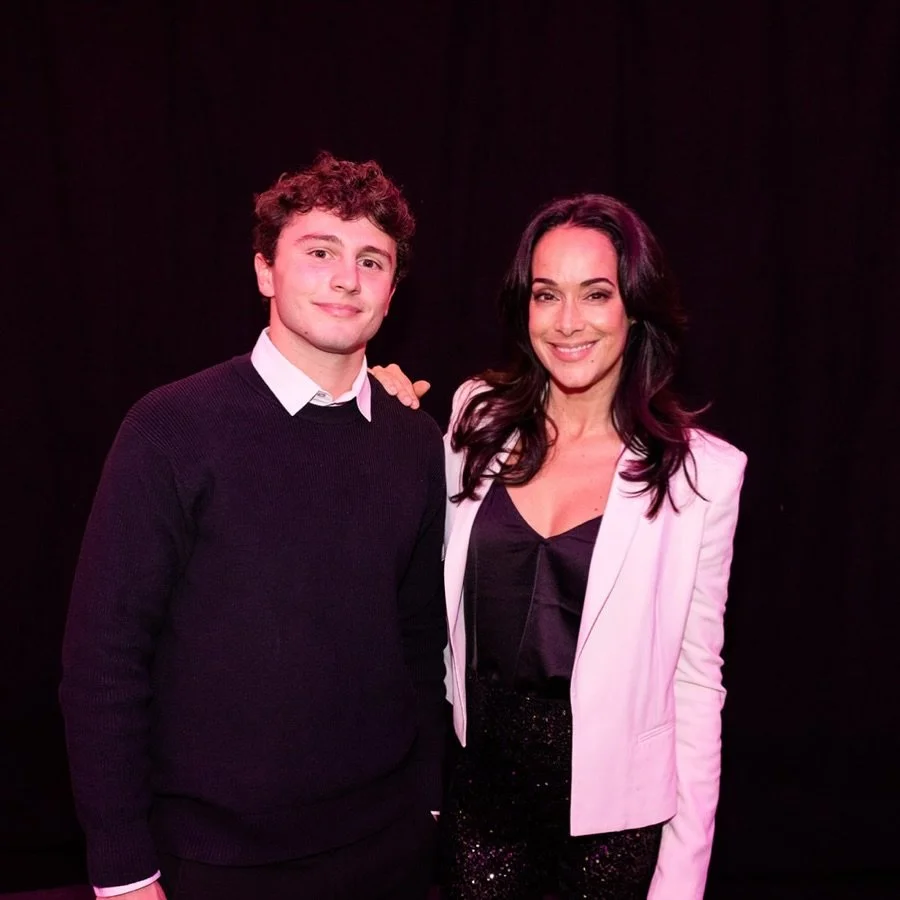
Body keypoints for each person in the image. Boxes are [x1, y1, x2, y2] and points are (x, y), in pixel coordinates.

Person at [60, 152, 447, 900]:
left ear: (393, 290)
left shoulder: (414, 443)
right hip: (214, 863)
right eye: (320, 252)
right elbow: (104, 663)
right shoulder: (170, 429)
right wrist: (123, 872)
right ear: (265, 270)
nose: (346, 278)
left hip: (388, 849)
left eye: (372, 260)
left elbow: (421, 638)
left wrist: (428, 799)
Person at [371, 193, 747, 899]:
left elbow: (697, 685)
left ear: (634, 307)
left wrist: (681, 880)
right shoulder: (474, 416)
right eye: (547, 294)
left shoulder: (702, 475)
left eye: (595, 294)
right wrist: (376, 411)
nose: (568, 322)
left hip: (611, 833)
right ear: (525, 307)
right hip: (476, 805)